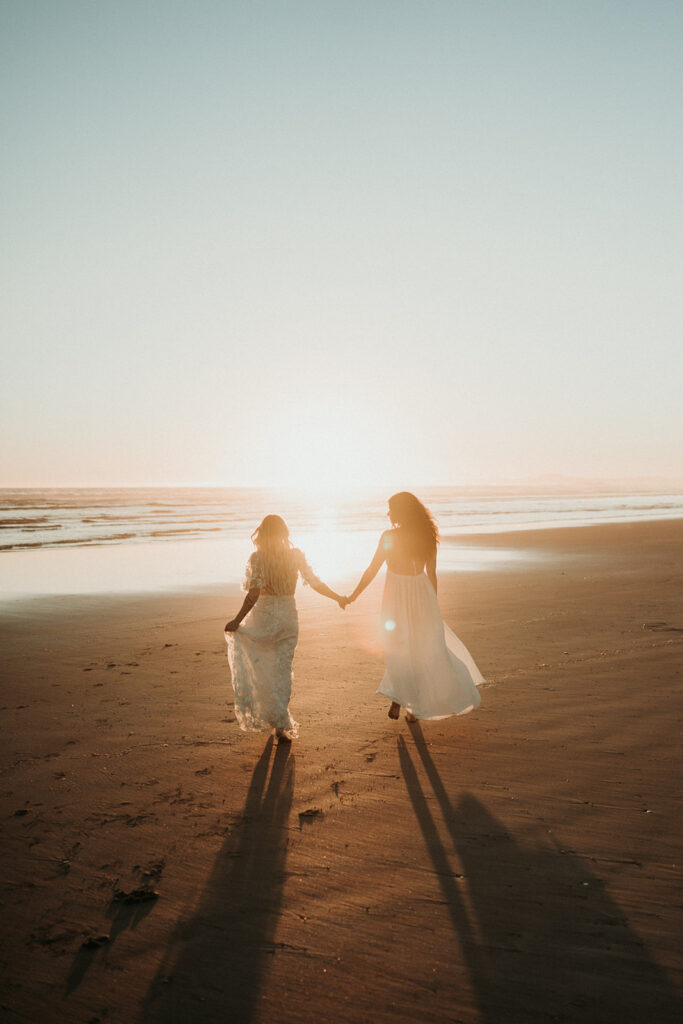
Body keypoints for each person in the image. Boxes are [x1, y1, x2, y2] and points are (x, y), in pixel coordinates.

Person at [343, 492, 484, 722]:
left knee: (397, 646)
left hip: (396, 595)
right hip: (421, 593)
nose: (388, 514)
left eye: (391, 509)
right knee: (419, 648)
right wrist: (433, 605)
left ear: (400, 511)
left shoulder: (389, 536)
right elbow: (432, 574)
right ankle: (408, 704)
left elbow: (372, 569)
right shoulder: (427, 535)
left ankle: (402, 700)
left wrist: (353, 595)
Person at [225, 514, 344, 740]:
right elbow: (315, 582)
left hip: (264, 615)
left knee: (263, 667)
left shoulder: (258, 558)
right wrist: (337, 597)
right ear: (284, 533)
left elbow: (254, 593)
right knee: (283, 669)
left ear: (262, 533)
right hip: (289, 615)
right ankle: (280, 724)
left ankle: (275, 717)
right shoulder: (295, 556)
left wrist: (238, 620)